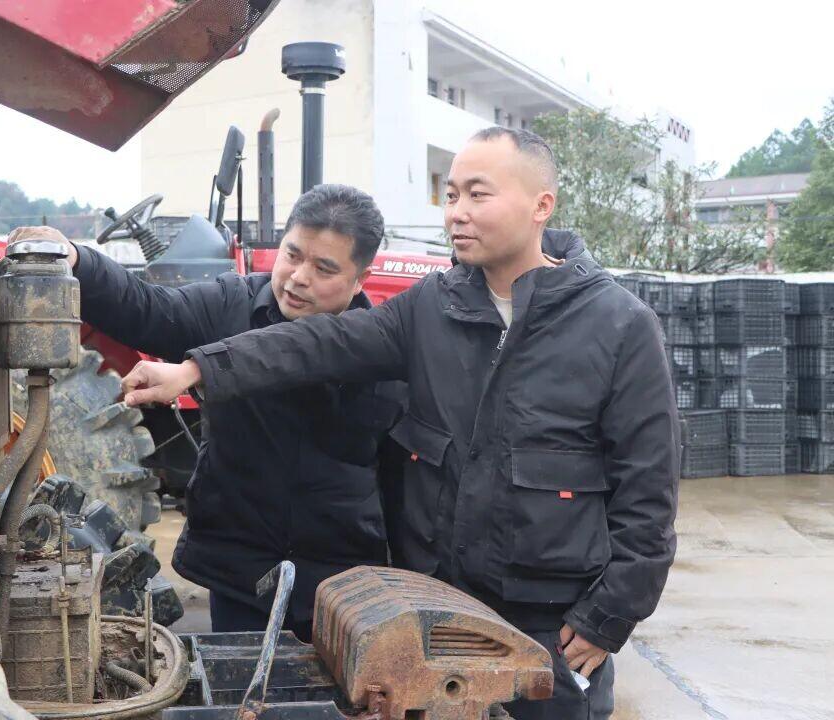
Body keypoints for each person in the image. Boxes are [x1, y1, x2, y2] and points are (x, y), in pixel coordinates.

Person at [119, 127, 680, 720]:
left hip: (547, 623)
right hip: (433, 616)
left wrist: (607, 617)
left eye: (478, 195)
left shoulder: (618, 326)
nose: (458, 212)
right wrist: (197, 369)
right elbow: (320, 343)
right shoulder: (430, 307)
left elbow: (648, 493)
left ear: (542, 205)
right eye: (452, 195)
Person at [7, 184, 405, 641]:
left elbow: (403, 483)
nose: (298, 277)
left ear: (361, 278)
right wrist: (79, 259)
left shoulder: (383, 350)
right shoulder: (231, 304)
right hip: (241, 573)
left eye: (324, 268)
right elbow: (148, 309)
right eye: (292, 255)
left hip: (343, 588)